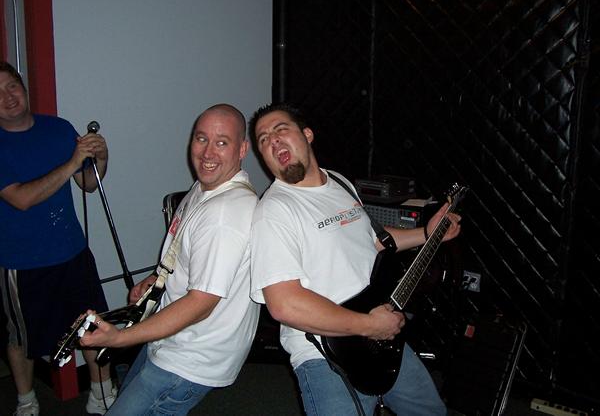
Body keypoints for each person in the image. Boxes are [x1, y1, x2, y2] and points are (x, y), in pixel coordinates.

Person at [249, 102, 462, 416]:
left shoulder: (338, 181)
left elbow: (373, 240)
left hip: (381, 334)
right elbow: (284, 304)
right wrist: (368, 326)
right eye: (263, 139)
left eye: (281, 130)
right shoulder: (274, 212)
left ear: (307, 135)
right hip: (327, 354)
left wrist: (428, 234)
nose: (273, 141)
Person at [79, 103, 260, 416]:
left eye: (222, 142)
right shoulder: (206, 189)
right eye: (201, 139)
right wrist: (158, 279)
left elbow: (201, 303)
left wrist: (120, 338)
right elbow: (190, 257)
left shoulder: (224, 214)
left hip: (190, 357)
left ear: (242, 149)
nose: (207, 152)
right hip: (171, 340)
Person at [0, 61, 115, 416]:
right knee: (21, 339)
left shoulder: (59, 128)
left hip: (72, 251)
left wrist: (101, 155)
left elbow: (89, 183)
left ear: (23, 86)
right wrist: (72, 162)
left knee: (93, 326)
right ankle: (26, 401)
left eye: (11, 86)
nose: (8, 97)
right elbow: (21, 198)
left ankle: (102, 393)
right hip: (22, 262)